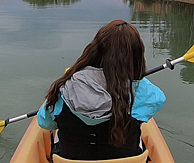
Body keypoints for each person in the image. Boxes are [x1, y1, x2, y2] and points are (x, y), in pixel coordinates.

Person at [37, 20, 166, 160]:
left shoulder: (66, 87)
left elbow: (45, 123)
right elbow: (159, 100)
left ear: (95, 51)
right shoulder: (143, 92)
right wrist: (135, 79)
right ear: (136, 57)